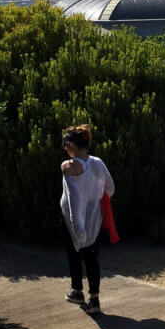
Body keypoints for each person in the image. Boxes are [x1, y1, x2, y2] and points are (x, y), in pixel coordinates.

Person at [59, 124, 114, 315]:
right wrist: (95, 199)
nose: (65, 147)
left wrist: (79, 229)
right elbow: (110, 188)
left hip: (73, 220)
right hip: (94, 216)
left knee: (74, 254)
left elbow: (74, 202)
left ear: (74, 144)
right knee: (92, 258)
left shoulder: (70, 169)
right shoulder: (97, 162)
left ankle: (79, 291)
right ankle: (93, 297)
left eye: (66, 143)